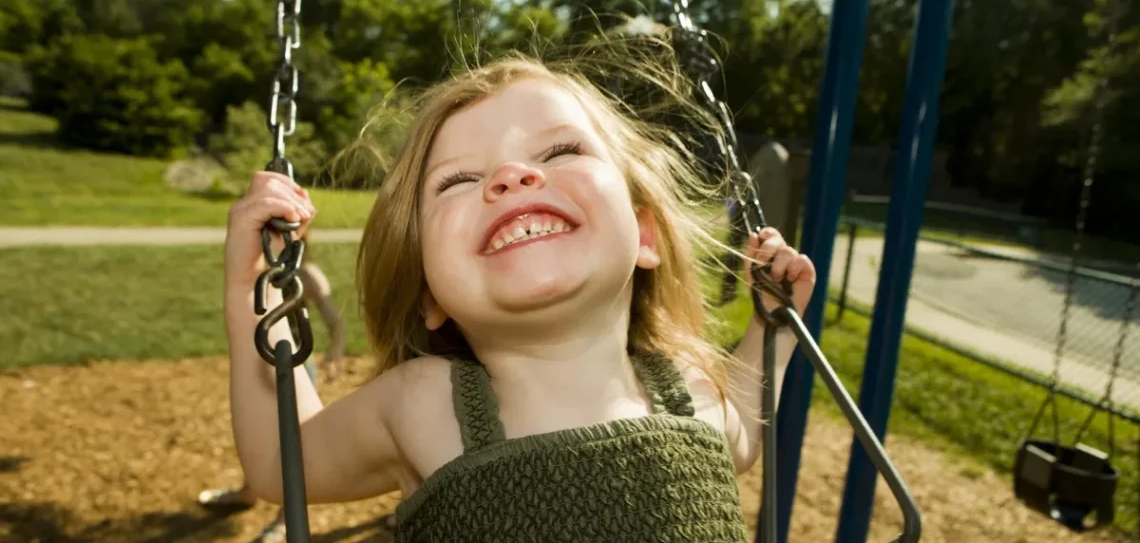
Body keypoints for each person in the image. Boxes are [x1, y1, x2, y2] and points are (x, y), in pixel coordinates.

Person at [222, 53, 816, 542]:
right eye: (458, 181)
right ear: (429, 293)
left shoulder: (687, 388)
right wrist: (253, 285)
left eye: (560, 153)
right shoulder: (424, 405)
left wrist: (774, 329)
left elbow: (738, 435)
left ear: (645, 235)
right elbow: (281, 461)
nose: (511, 175)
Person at [199, 236, 355, 542]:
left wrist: (335, 354)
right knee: (256, 430)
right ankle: (248, 492)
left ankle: (286, 520)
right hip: (259, 363)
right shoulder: (257, 273)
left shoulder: (307, 275)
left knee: (293, 441)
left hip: (296, 367)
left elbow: (334, 321)